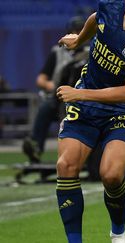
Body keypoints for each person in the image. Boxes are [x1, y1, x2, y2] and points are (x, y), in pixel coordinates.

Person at [55, 0, 125, 242]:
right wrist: (79, 39)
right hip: (86, 103)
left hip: (123, 108)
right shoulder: (110, 6)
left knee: (111, 175)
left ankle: (118, 233)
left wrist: (79, 94)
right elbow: (97, 19)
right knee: (66, 166)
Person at [22, 16, 86, 163]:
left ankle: (86, 155)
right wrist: (52, 86)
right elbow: (41, 79)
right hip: (60, 95)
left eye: (81, 31)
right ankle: (36, 147)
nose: (77, 34)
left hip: (84, 96)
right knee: (45, 107)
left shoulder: (93, 51)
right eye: (75, 31)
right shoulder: (57, 51)